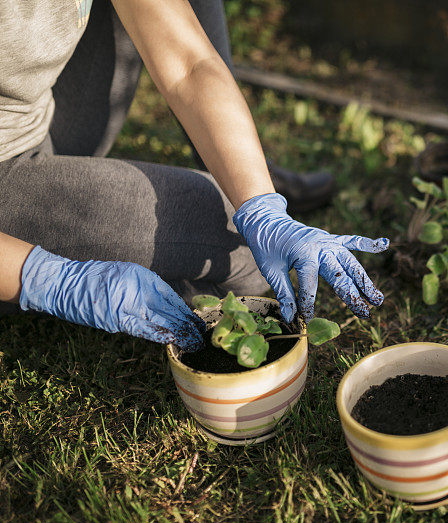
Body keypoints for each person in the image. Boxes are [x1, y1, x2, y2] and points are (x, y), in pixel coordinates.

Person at [0, 0, 388, 353]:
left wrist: (257, 202)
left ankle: (249, 173)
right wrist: (50, 279)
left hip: (40, 110)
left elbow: (188, 64)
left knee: (242, 222)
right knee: (236, 250)